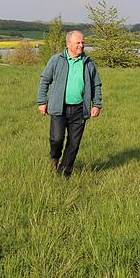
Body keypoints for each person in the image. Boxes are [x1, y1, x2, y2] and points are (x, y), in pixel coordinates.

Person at [37, 30, 102, 177]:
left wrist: (97, 104)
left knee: (74, 144)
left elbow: (96, 85)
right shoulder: (56, 60)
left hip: (80, 109)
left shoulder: (88, 63)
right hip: (59, 108)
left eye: (83, 42)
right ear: (68, 44)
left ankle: (64, 173)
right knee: (56, 139)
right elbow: (44, 80)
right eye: (78, 42)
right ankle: (54, 158)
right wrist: (42, 101)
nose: (81, 45)